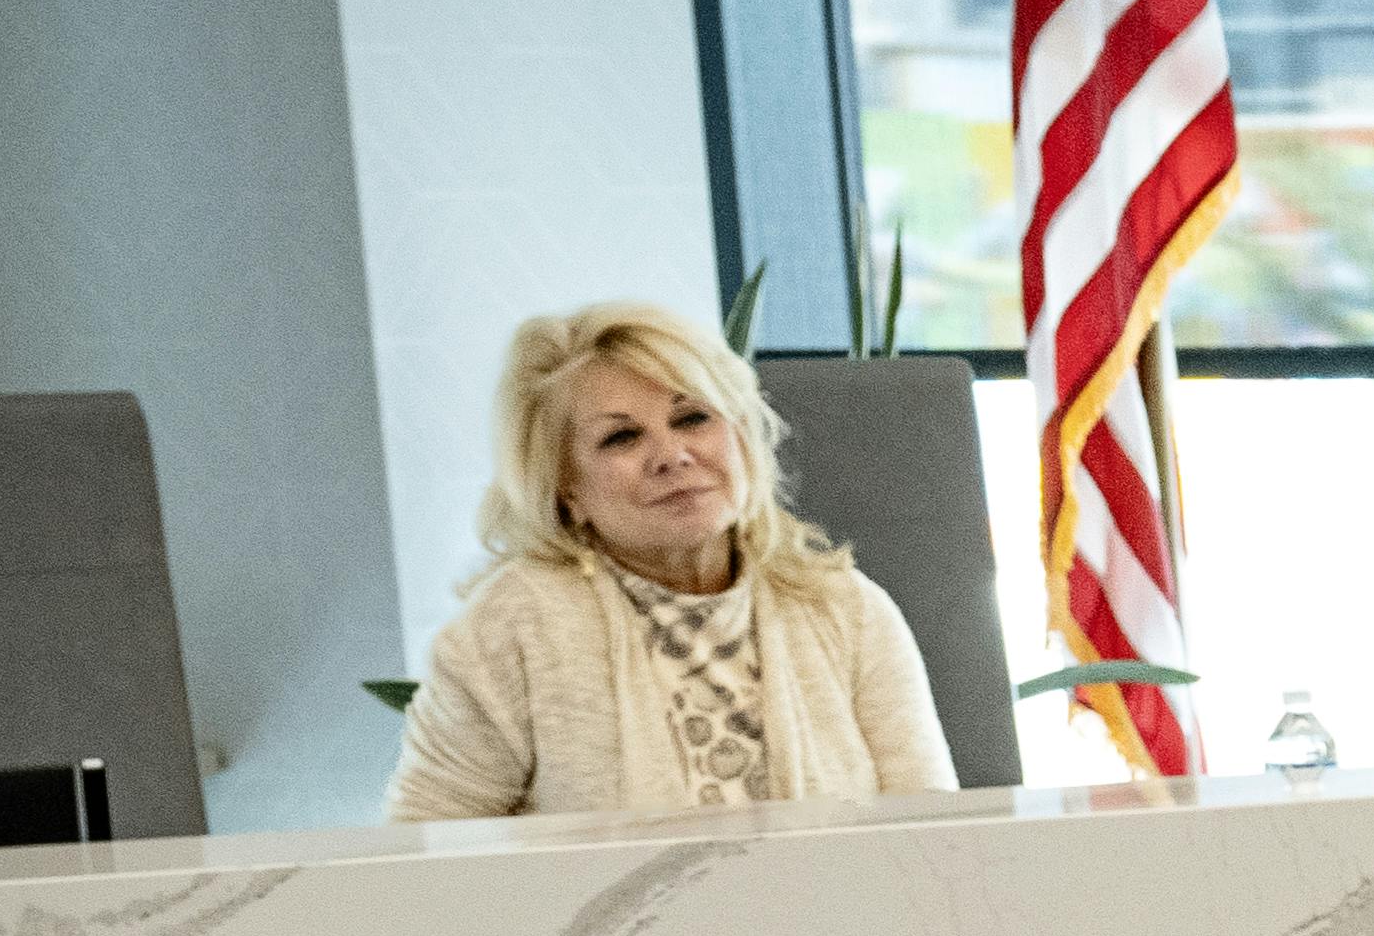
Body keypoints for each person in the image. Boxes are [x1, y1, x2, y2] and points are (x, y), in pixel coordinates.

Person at [392, 305, 957, 819]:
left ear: (740, 437)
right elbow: (427, 857)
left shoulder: (848, 608)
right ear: (566, 489)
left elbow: (934, 836)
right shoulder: (510, 629)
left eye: (692, 419)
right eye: (621, 438)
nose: (672, 455)